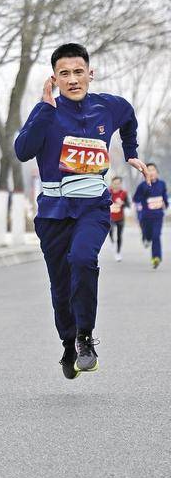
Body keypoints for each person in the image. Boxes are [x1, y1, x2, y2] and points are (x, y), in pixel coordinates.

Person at [15, 43, 149, 379]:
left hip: (93, 207)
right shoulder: (45, 111)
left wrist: (131, 151)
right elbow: (22, 151)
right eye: (65, 74)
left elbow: (129, 116)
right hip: (53, 212)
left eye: (78, 72)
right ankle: (68, 342)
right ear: (54, 79)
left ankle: (86, 338)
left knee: (83, 259)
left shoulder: (108, 107)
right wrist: (45, 110)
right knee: (60, 285)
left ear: (90, 73)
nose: (73, 79)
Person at [133, 162, 168, 269]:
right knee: (148, 235)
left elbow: (165, 196)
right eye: (148, 170)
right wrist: (140, 205)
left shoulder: (162, 184)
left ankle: (156, 257)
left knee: (156, 236)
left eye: (153, 170)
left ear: (157, 172)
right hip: (146, 217)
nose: (151, 172)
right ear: (145, 173)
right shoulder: (142, 186)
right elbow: (136, 199)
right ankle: (145, 238)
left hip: (158, 216)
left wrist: (165, 203)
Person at [108, 176, 130, 261]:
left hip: (120, 217)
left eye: (118, 183)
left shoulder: (123, 193)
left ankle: (118, 252)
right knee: (110, 230)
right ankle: (112, 241)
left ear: (121, 184)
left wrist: (122, 203)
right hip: (110, 216)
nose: (116, 185)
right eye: (115, 183)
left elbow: (128, 204)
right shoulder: (108, 192)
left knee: (119, 235)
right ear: (112, 184)